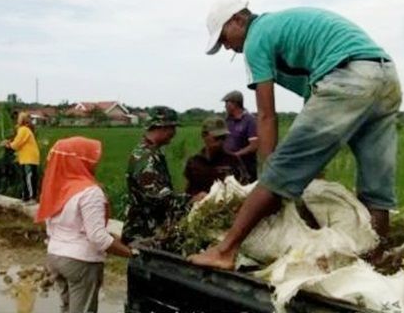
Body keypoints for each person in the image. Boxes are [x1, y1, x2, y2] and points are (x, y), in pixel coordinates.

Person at [190, 0, 401, 270]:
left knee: (281, 168)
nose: (227, 47)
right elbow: (313, 98)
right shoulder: (283, 30)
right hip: (385, 75)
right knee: (376, 181)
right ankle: (376, 259)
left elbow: (266, 115)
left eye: (224, 39)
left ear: (238, 20)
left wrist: (270, 174)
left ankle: (225, 251)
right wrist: (312, 164)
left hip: (348, 74)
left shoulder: (256, 38)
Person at [37, 137, 132, 313]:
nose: (95, 164)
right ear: (81, 161)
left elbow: (54, 225)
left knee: (67, 308)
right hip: (80, 261)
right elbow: (97, 237)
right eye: (92, 159)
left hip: (55, 256)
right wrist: (131, 253)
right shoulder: (89, 192)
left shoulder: (55, 187)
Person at [121, 106, 193, 244]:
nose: (174, 133)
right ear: (162, 127)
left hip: (150, 229)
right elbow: (158, 197)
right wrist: (190, 201)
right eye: (172, 128)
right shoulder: (146, 158)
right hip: (144, 233)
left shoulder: (151, 153)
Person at [184, 117, 248, 198]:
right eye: (217, 137)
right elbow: (188, 191)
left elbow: (244, 189)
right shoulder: (194, 162)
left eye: (223, 137)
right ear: (204, 135)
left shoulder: (233, 160)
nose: (221, 141)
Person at [222, 90, 258, 183]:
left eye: (227, 103)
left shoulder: (249, 121)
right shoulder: (227, 120)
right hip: (228, 166)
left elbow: (254, 146)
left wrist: (236, 155)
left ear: (235, 104)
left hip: (246, 166)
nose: (225, 106)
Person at [4, 112, 40, 203]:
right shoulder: (23, 130)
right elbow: (17, 141)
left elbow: (16, 144)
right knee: (25, 177)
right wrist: (10, 143)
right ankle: (25, 197)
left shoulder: (24, 130)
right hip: (26, 158)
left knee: (29, 178)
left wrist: (8, 144)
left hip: (29, 158)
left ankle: (32, 198)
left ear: (21, 120)